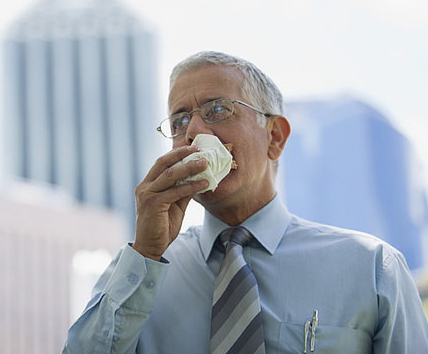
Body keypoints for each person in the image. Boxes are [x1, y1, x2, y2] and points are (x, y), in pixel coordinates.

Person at [63, 51, 428, 353]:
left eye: (217, 110)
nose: (194, 133)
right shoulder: (139, 275)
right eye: (179, 121)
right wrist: (145, 252)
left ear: (274, 137)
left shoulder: (372, 269)